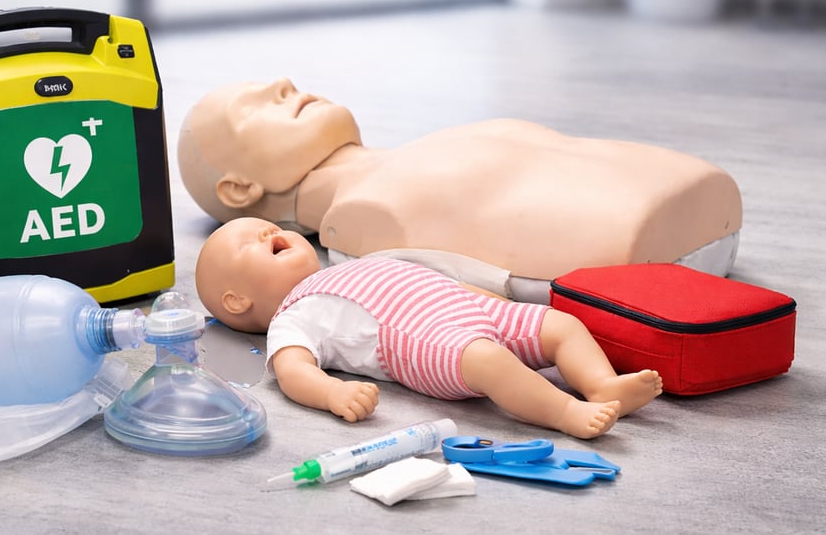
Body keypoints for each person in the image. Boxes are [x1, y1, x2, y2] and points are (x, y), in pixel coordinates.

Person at [178, 78, 743, 301]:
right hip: (641, 251)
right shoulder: (360, 221)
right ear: (239, 189)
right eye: (255, 109)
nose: (285, 84)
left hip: (658, 205)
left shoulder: (403, 168)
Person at [195, 216, 664, 440]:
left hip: (468, 306)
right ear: (237, 301)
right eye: (248, 242)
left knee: (561, 324)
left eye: (265, 226)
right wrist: (333, 393)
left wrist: (488, 301)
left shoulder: (344, 267)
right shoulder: (291, 317)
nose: (266, 231)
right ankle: (565, 412)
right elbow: (292, 371)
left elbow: (433, 281)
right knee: (489, 361)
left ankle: (601, 385)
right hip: (423, 341)